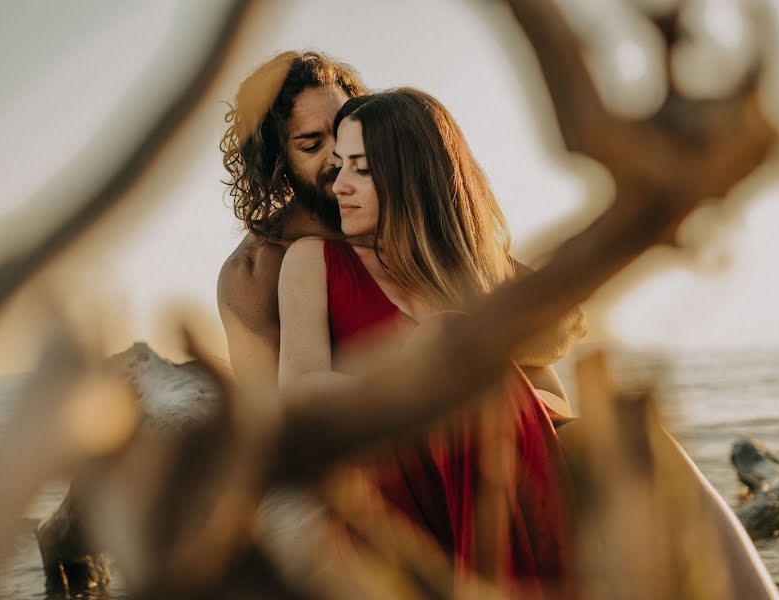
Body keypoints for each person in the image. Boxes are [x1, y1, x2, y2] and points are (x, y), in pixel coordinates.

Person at [277, 88, 572, 593]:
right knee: (444, 340)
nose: (340, 186)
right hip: (386, 477)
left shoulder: (481, 278)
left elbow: (554, 401)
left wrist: (476, 393)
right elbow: (300, 387)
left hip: (491, 473)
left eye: (362, 170)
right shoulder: (313, 262)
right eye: (340, 167)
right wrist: (420, 383)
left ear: (411, 177)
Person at [217, 51, 587, 399]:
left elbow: (562, 329)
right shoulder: (256, 271)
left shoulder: (414, 226)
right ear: (277, 162)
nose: (337, 155)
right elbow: (275, 420)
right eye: (312, 144)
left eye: (344, 131)